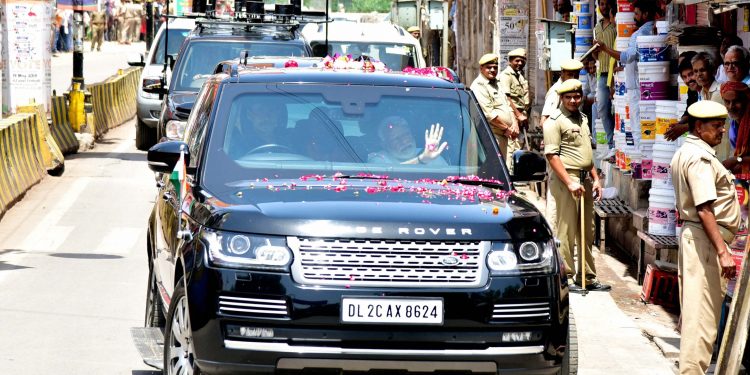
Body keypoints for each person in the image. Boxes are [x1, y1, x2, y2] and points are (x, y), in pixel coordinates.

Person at [671, 100, 739, 375]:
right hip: (705, 242)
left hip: (699, 240)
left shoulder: (690, 151)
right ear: (698, 127)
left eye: (722, 124)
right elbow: (704, 208)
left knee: (698, 317)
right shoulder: (699, 158)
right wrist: (723, 251)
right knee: (701, 321)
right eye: (715, 125)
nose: (722, 130)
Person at [543, 79, 610, 292]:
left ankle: (587, 276)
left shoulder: (582, 118)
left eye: (577, 96)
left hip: (585, 179)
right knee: (566, 230)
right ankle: (567, 277)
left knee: (587, 230)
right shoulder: (554, 121)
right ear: (561, 98)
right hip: (566, 180)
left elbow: (585, 153)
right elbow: (552, 156)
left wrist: (596, 178)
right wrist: (570, 182)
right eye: (569, 97)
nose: (573, 100)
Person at [594, 0, 657, 152]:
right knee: (646, 124)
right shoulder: (652, 30)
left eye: (636, 13)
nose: (634, 17)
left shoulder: (640, 33)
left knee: (637, 126)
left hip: (637, 87)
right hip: (648, 84)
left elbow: (628, 56)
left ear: (645, 14)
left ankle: (641, 159)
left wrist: (605, 48)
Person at [470, 53, 518, 167]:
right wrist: (507, 128)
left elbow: (507, 105)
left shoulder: (497, 83)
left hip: (503, 135)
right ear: (481, 68)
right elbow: (489, 114)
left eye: (495, 67)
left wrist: (515, 124)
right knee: (491, 169)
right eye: (489, 67)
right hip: (490, 135)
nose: (492, 70)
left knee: (501, 168)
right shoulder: (479, 86)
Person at [693, 52, 733, 161]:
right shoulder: (702, 92)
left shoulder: (719, 92)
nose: (699, 74)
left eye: (702, 70)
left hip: (724, 143)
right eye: (695, 71)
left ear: (712, 71)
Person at [368, 117, 448, 165]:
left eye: (406, 135)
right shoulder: (378, 158)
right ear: (384, 145)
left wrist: (424, 157)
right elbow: (387, 176)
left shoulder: (431, 155)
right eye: (395, 139)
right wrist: (421, 160)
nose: (404, 141)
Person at [498, 48, 529, 173]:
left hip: (521, 115)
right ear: (510, 61)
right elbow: (507, 97)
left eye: (522, 61)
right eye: (517, 61)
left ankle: (514, 173)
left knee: (518, 146)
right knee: (511, 147)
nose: (520, 63)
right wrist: (517, 114)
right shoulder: (506, 75)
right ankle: (509, 176)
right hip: (512, 115)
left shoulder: (519, 75)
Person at [592, 0, 617, 151]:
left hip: (615, 72)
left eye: (606, 4)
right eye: (601, 4)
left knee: (617, 108)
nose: (604, 7)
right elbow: (597, 55)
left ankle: (617, 143)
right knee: (602, 108)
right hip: (602, 73)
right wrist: (594, 52)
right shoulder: (597, 27)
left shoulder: (615, 26)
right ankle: (611, 143)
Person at [665, 57, 701, 141]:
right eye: (684, 77)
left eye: (690, 74)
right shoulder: (692, 90)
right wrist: (680, 124)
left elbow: (707, 120)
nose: (688, 80)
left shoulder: (710, 91)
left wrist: (684, 127)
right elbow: (689, 109)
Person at [540, 59, 584, 127]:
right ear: (562, 73)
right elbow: (544, 122)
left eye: (576, 76)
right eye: (569, 75)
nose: (573, 78)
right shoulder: (556, 91)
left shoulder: (574, 89)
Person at [721, 81, 750, 174]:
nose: (731, 106)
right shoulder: (733, 123)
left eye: (736, 101)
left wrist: (737, 160)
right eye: (727, 101)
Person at [581, 56, 598, 130]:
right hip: (591, 96)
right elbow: (586, 89)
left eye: (594, 68)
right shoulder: (588, 75)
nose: (592, 70)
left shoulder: (599, 75)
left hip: (597, 95)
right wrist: (583, 96)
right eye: (590, 68)